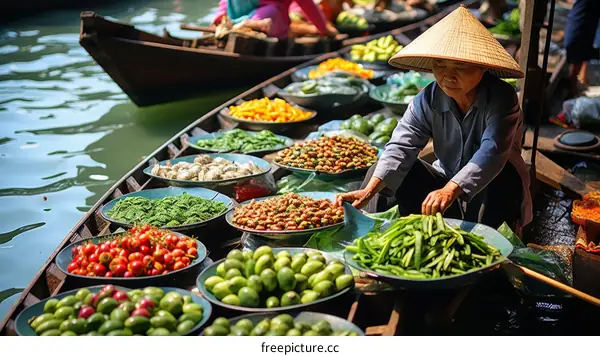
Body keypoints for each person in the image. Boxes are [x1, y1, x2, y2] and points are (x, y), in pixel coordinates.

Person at [335, 5, 532, 232]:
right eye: (440, 65)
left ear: (482, 68)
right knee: (384, 169)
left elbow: (492, 153)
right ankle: (377, 234)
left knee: (502, 180)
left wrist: (451, 189)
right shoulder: (427, 98)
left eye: (461, 66)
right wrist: (368, 191)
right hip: (443, 181)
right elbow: (401, 144)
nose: (448, 75)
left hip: (491, 187)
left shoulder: (502, 98)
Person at [212, 0, 338, 38]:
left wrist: (218, 19)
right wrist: (323, 29)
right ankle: (245, 25)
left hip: (236, 18)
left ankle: (235, 25)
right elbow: (308, 6)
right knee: (272, 13)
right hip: (269, 23)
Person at [564, 0, 600, 96]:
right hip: (582, 15)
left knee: (581, 49)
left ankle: (573, 83)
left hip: (590, 17)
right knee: (573, 45)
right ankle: (573, 83)